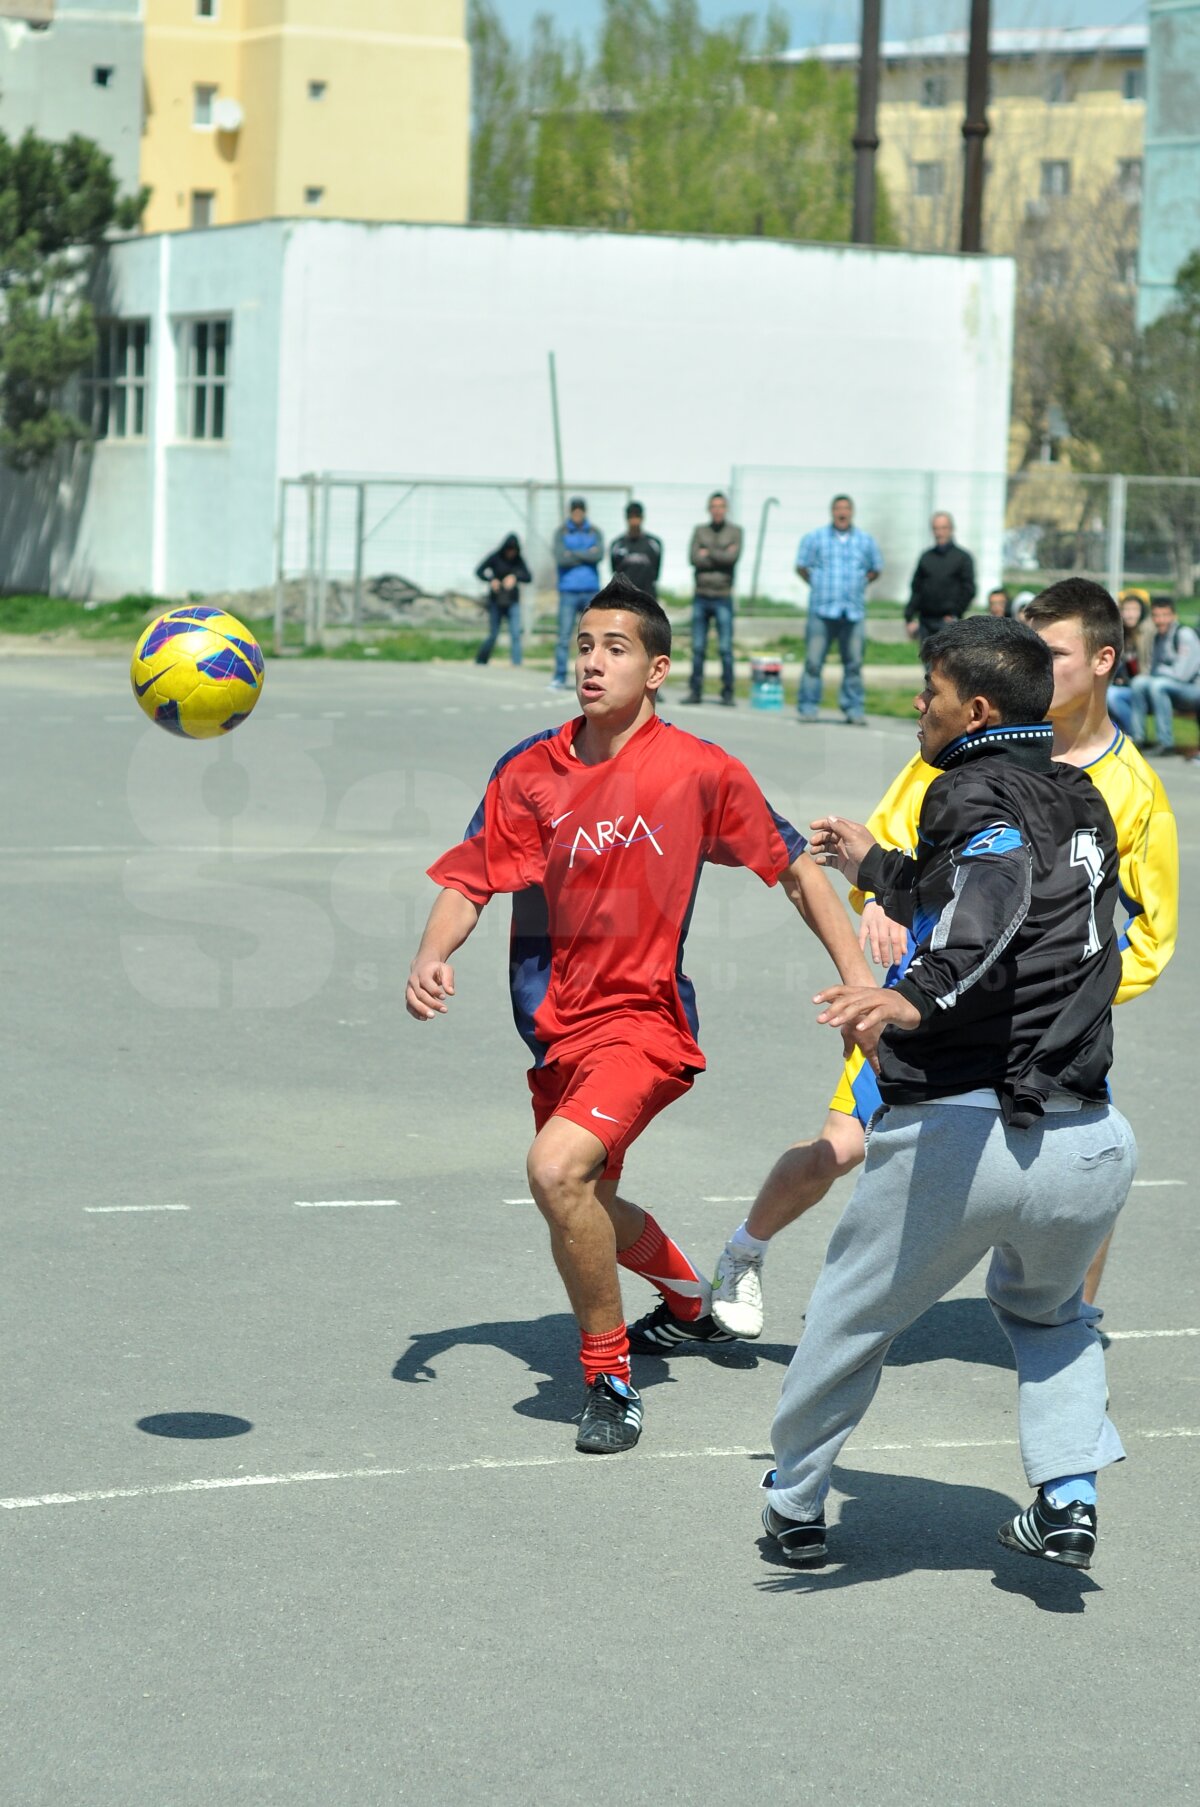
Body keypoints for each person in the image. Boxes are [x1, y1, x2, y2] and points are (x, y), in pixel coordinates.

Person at [405, 573, 872, 1457]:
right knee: (584, 1199)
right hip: (556, 1027)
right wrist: (434, 953)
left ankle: (610, 1379)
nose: (592, 662)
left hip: (645, 1023)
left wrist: (859, 985)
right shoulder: (529, 769)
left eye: (614, 649)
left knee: (554, 1171)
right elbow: (469, 877)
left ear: (657, 669)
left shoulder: (698, 770)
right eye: (584, 644)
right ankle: (691, 1302)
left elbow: (796, 868)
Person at [761, 616, 1135, 1572]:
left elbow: (995, 890)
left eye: (926, 694)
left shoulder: (965, 787)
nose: (915, 709)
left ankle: (796, 1503)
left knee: (850, 1317)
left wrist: (911, 994)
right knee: (1054, 1316)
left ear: (972, 710)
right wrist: (876, 868)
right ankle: (1068, 1494)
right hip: (1089, 1139)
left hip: (968, 1133)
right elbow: (1005, 884)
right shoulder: (1080, 791)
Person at [709, 577, 1176, 1335]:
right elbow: (901, 863)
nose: (1035, 661)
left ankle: (1068, 1315)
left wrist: (1064, 991)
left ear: (1102, 661)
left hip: (1051, 1026)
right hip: (932, 995)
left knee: (1088, 1168)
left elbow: (1150, 932)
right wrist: (881, 911)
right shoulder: (956, 752)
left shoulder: (1128, 788)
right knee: (840, 1146)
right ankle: (745, 1251)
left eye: (1052, 651)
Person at [795, 495, 882, 725]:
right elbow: (802, 566)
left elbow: (875, 568)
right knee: (814, 662)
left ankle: (853, 708)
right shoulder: (816, 538)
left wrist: (859, 583)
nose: (842, 513)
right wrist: (819, 584)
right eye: (838, 509)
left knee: (853, 663)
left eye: (846, 509)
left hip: (852, 611)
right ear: (832, 512)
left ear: (852, 512)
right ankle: (808, 706)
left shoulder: (865, 541)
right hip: (822, 610)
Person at [685, 492, 742, 706]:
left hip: (723, 596)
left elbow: (732, 559)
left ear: (726, 509)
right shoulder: (700, 530)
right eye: (714, 506)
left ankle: (728, 692)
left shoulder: (735, 532)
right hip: (701, 595)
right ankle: (695, 691)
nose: (717, 510)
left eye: (721, 506)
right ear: (709, 509)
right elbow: (693, 558)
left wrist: (708, 552)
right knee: (698, 647)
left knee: (725, 648)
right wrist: (720, 554)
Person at [1128, 595, 1200, 753]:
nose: (1160, 620)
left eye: (1165, 615)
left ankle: (1165, 743)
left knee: (1157, 685)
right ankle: (1138, 739)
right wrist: (1158, 672)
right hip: (1169, 686)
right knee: (1138, 682)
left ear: (1174, 616)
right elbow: (1153, 671)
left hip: (1193, 690)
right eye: (1156, 615)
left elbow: (1182, 675)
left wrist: (1161, 670)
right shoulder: (1157, 638)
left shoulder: (1184, 635)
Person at [550, 498, 604, 691]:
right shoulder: (562, 532)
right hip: (568, 591)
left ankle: (593, 676)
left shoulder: (594, 531)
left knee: (594, 637)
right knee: (564, 636)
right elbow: (560, 557)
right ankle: (559, 676)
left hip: (590, 590)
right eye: (574, 511)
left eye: (581, 511)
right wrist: (585, 554)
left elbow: (598, 555)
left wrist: (572, 553)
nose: (578, 514)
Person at [905, 512, 976, 647]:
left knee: (946, 665)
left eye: (944, 528)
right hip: (926, 620)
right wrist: (909, 616)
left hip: (949, 621)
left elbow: (969, 589)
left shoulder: (962, 557)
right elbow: (916, 588)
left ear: (951, 529)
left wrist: (955, 612)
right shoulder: (926, 557)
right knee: (929, 666)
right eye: (936, 528)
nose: (940, 532)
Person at [474, 533, 532, 667]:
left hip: (512, 601)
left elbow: (528, 577)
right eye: (508, 550)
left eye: (513, 550)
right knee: (493, 634)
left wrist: (515, 577)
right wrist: (491, 580)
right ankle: (481, 659)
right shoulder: (495, 557)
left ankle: (516, 663)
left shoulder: (519, 560)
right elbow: (479, 571)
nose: (511, 553)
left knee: (515, 633)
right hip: (496, 601)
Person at [1106, 589, 1152, 738]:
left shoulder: (1148, 632)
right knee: (1105, 692)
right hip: (1128, 685)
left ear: (1142, 612)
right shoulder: (1120, 634)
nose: (1130, 614)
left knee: (1112, 696)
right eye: (1127, 610)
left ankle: (1134, 734)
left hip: (1146, 686)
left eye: (1135, 610)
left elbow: (1149, 667)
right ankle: (1115, 735)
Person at [609, 501, 662, 599]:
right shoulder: (617, 544)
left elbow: (656, 571)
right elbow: (614, 571)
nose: (634, 521)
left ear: (642, 518)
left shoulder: (654, 543)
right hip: (624, 597)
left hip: (647, 596)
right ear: (626, 519)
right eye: (631, 517)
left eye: (637, 517)